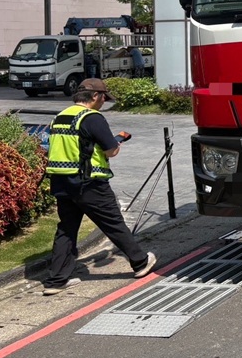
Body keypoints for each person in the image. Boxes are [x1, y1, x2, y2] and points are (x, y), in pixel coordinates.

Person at [42, 78, 156, 295]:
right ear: (95, 97)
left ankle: (55, 281)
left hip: (61, 181)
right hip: (89, 182)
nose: (104, 101)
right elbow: (110, 150)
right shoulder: (92, 118)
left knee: (66, 229)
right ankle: (141, 262)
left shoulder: (60, 116)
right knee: (113, 222)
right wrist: (116, 143)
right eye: (104, 97)